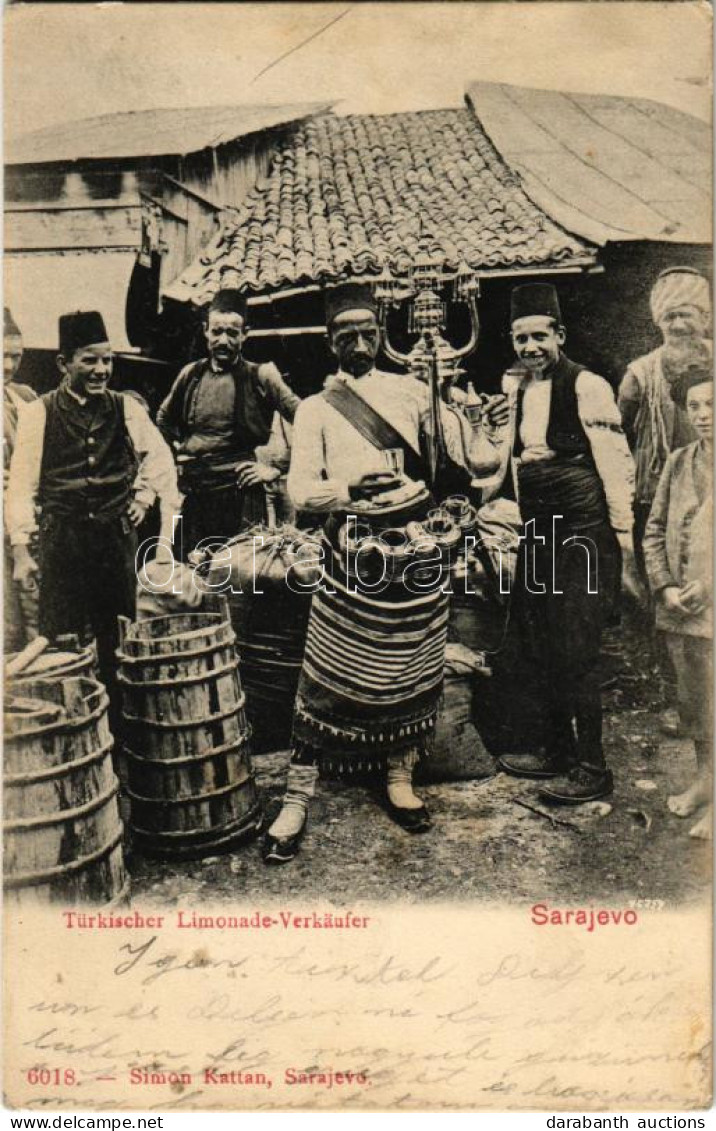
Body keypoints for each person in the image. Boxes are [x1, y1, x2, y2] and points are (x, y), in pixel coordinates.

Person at [261, 281, 501, 864]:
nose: (361, 343)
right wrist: (346, 489)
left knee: (412, 666)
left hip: (419, 550)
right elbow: (299, 491)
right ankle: (297, 797)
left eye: (369, 332)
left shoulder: (414, 392)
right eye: (348, 335)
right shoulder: (317, 408)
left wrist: (468, 415)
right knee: (328, 669)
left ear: (382, 335)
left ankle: (399, 778)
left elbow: (478, 462)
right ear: (330, 341)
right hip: (349, 550)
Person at [495, 283, 635, 803]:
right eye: (520, 338)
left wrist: (621, 537)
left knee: (577, 647)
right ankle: (555, 750)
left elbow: (616, 466)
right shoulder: (517, 390)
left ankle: (593, 767)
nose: (530, 348)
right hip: (538, 527)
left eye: (539, 337)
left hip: (580, 529)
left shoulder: (588, 386)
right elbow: (508, 462)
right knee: (541, 640)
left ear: (561, 335)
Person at [6, 310, 181, 703]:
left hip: (113, 545)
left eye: (108, 360)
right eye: (90, 360)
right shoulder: (38, 414)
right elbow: (20, 487)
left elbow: (161, 461)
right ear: (64, 363)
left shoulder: (126, 408)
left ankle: (121, 739)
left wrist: (143, 496)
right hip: (61, 544)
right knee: (61, 644)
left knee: (116, 641)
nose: (101, 370)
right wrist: (21, 549)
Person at [156, 289, 299, 557]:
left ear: (245, 333)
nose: (224, 340)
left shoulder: (262, 375)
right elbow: (163, 421)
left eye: (232, 333)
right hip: (194, 495)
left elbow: (309, 420)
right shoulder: (191, 375)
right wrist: (170, 464)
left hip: (240, 495)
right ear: (205, 331)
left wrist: (275, 467)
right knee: (192, 581)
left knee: (237, 579)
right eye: (217, 332)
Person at [642, 368, 712, 840]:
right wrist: (665, 585)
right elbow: (653, 530)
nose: (705, 416)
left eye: (713, 405)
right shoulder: (678, 461)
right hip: (679, 611)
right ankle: (706, 778)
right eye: (695, 407)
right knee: (694, 705)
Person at [618, 267, 711, 575]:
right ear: (659, 322)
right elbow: (619, 438)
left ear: (706, 319)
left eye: (686, 315)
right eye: (669, 317)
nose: (678, 325)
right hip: (657, 492)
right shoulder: (639, 376)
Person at [3, 307, 39, 652]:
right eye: (2, 356)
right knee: (7, 625)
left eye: (16, 356)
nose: (8, 366)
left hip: (24, 521)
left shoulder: (24, 397)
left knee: (36, 617)